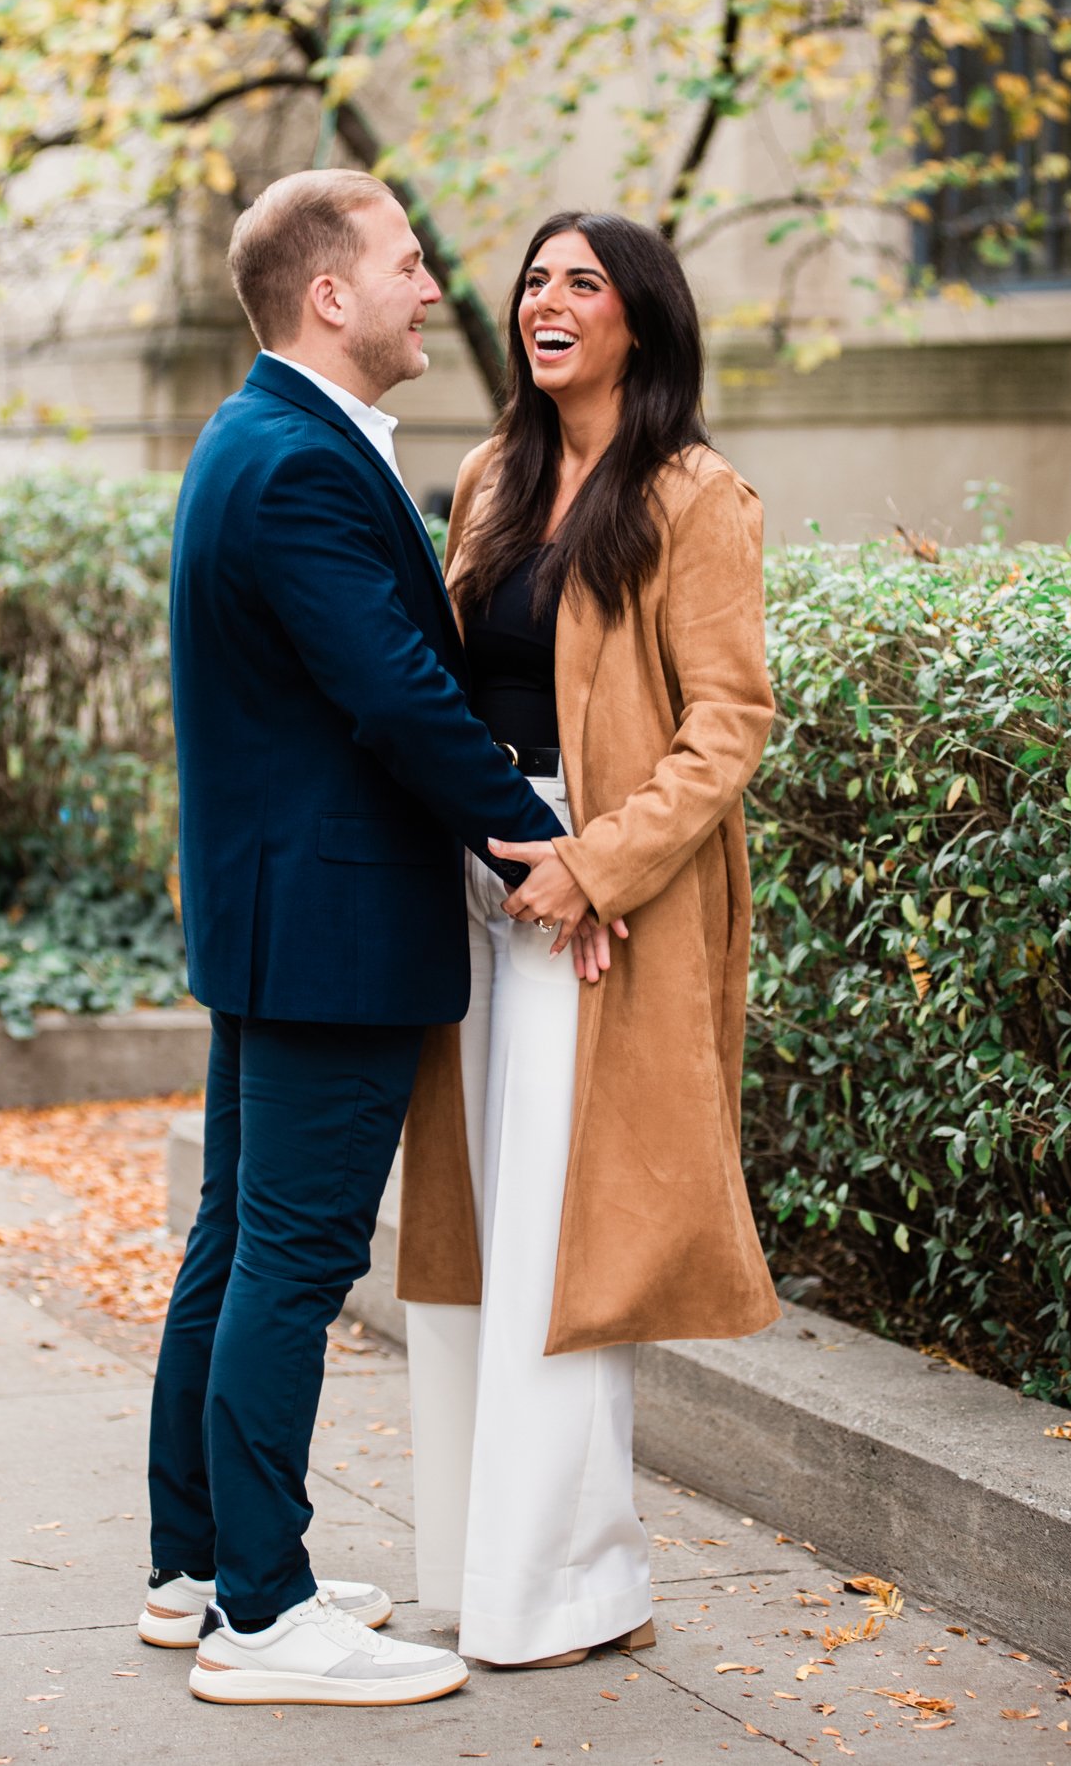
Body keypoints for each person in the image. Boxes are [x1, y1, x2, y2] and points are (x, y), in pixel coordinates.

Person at [141, 168, 583, 1709]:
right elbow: (397, 691)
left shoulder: (258, 438)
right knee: (294, 1257)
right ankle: (262, 1620)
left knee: (238, 1242)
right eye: (404, 262)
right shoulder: (300, 465)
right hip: (326, 922)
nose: (428, 285)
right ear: (329, 294)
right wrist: (542, 842)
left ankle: (197, 1567)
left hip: (277, 911)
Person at [398, 211, 781, 1669]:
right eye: (535, 281)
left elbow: (726, 725)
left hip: (599, 907)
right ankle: (485, 1570)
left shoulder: (693, 494)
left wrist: (597, 869)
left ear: (640, 321)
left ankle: (554, 1591)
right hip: (475, 881)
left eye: (583, 283)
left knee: (571, 1240)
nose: (547, 301)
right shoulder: (493, 475)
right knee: (484, 1232)